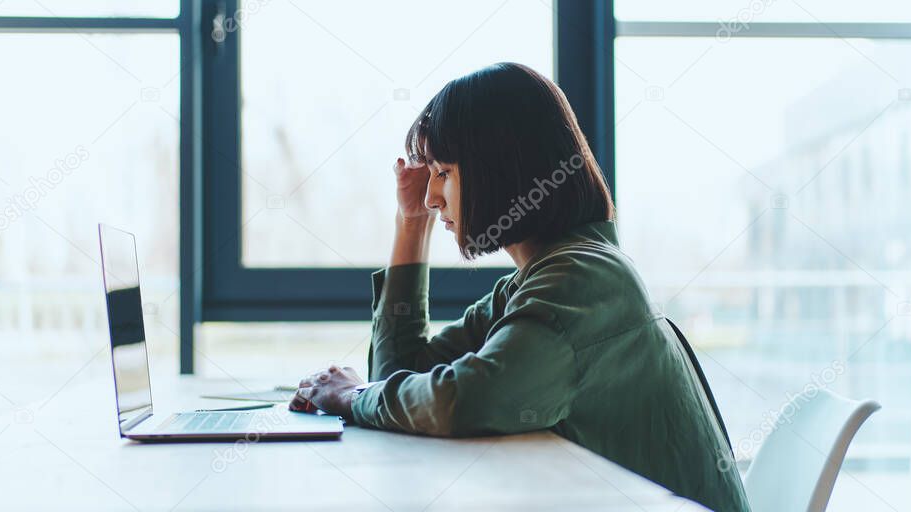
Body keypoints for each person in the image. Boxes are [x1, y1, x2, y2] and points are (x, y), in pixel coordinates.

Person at [291, 62, 751, 511]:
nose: (432, 197)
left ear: (502, 169)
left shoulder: (580, 281)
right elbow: (398, 372)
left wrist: (351, 397)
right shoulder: (542, 278)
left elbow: (469, 401)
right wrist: (411, 224)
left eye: (444, 174)